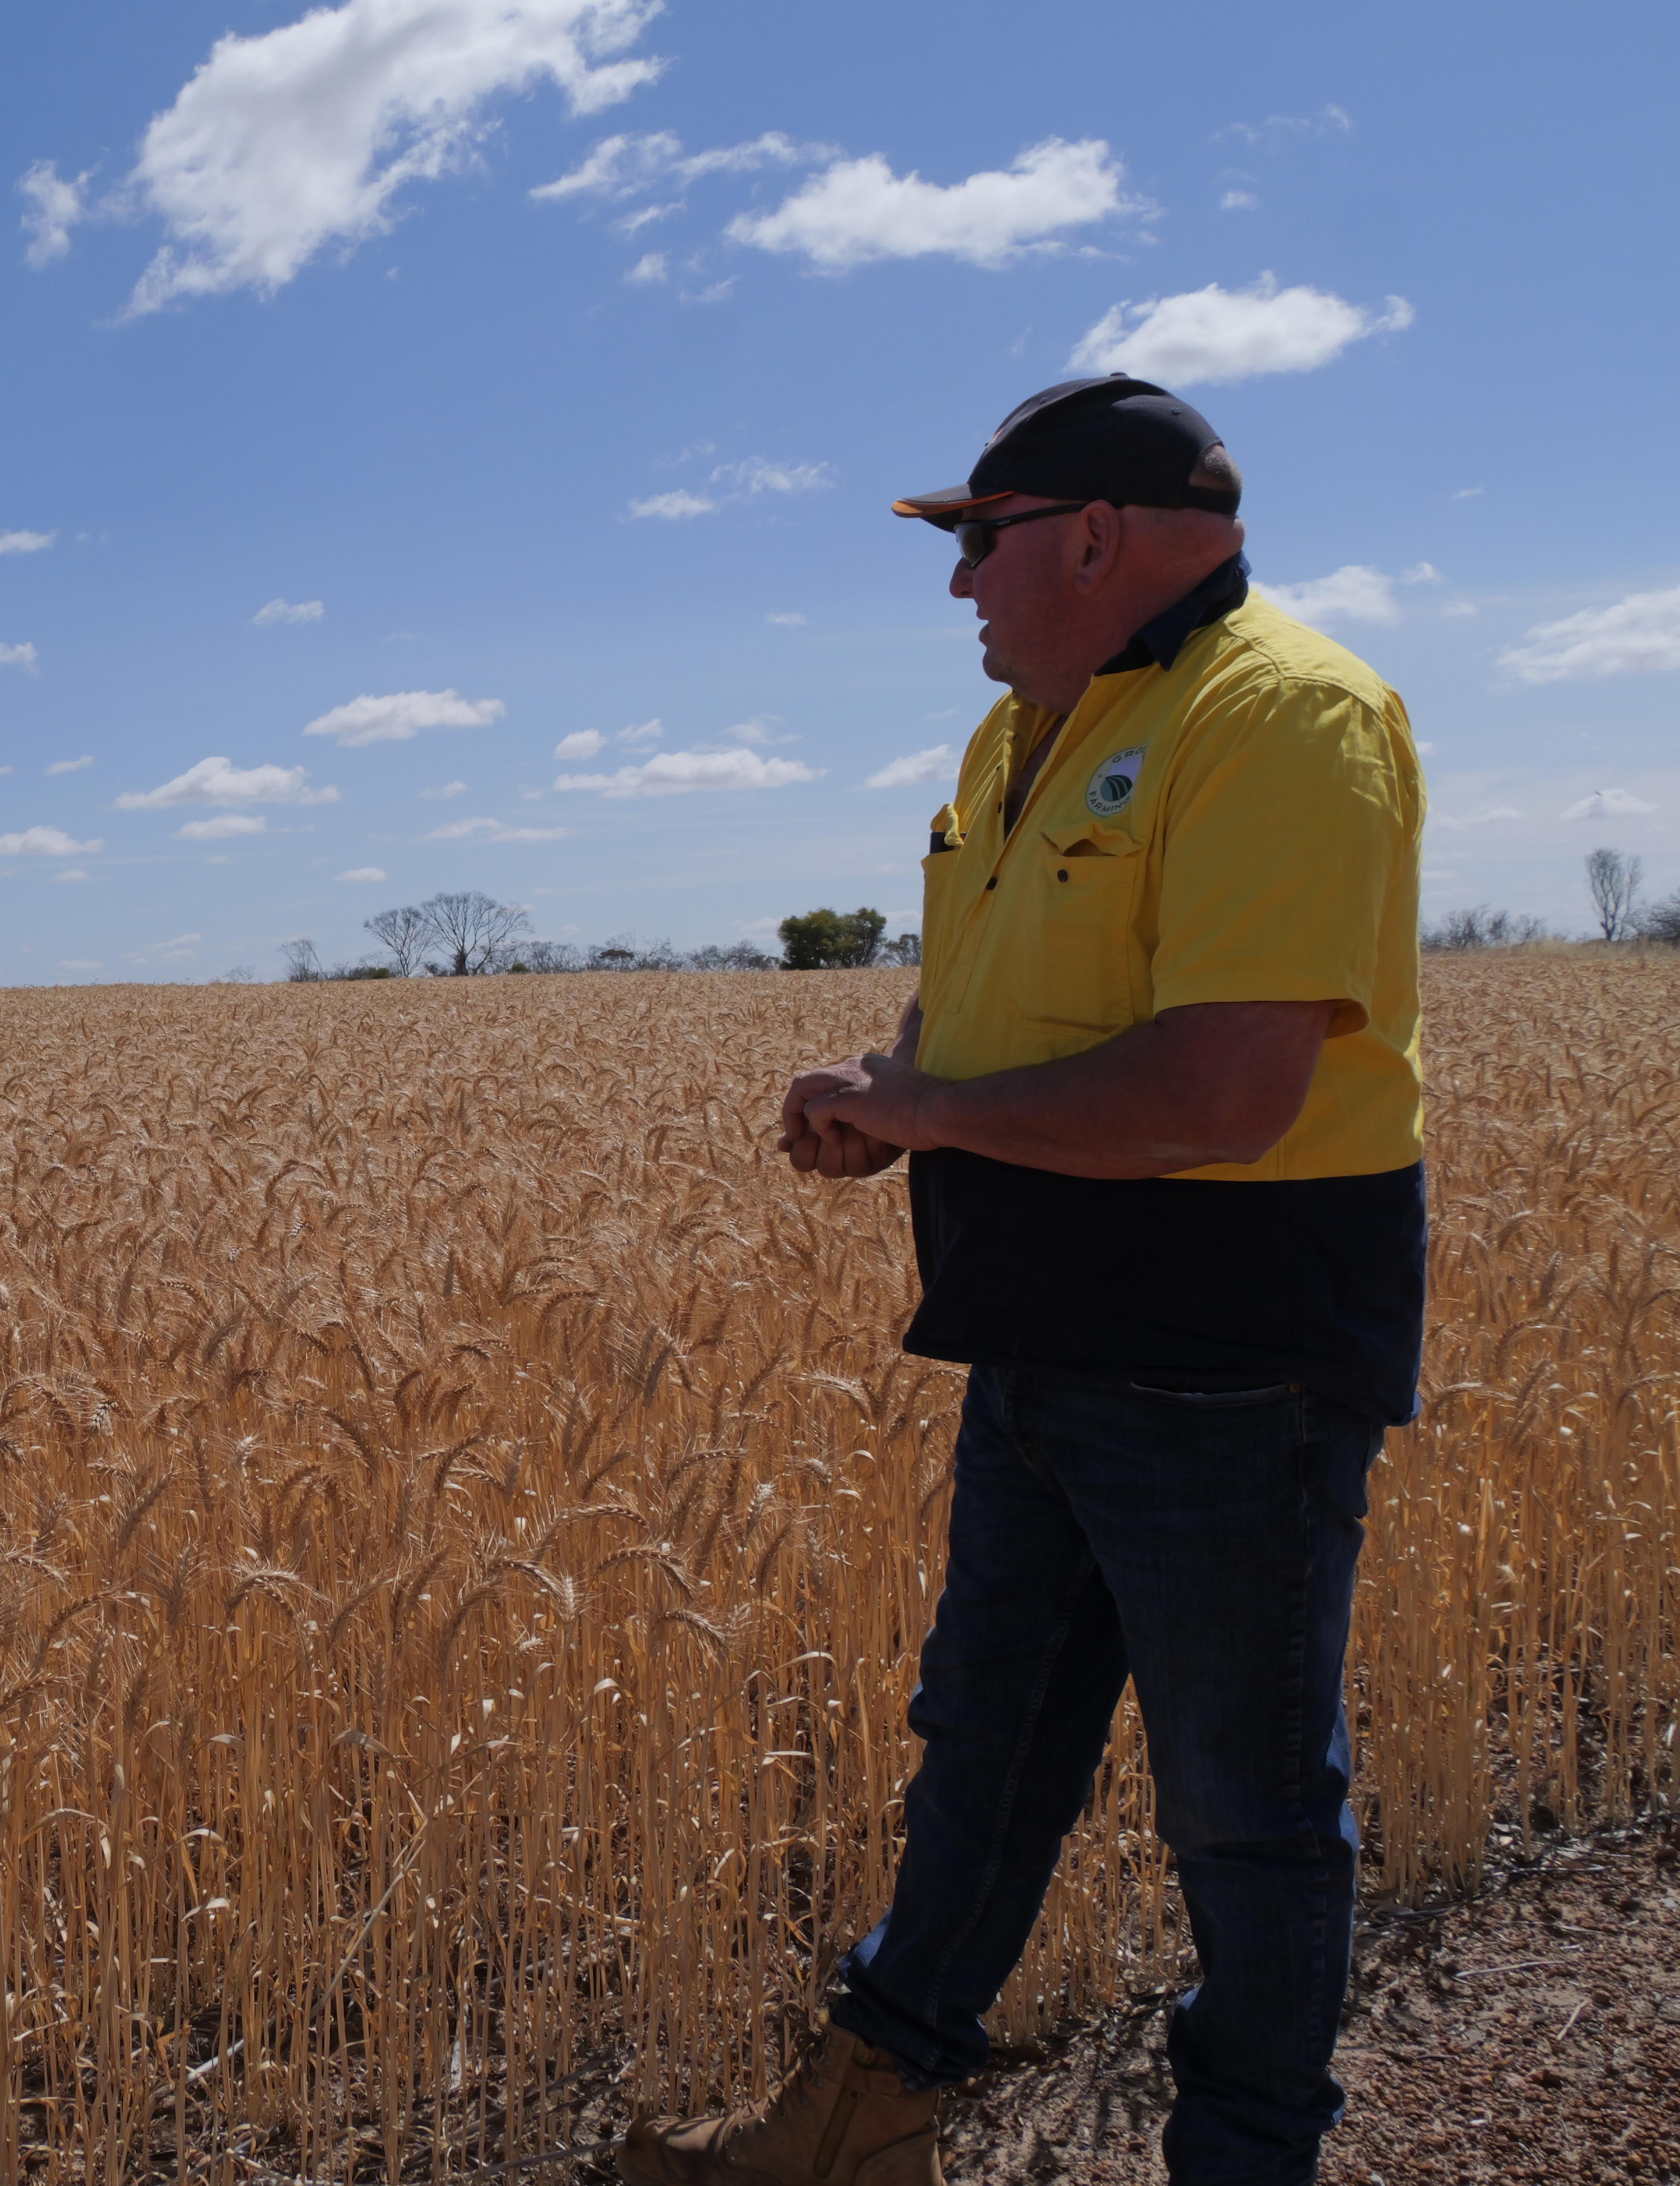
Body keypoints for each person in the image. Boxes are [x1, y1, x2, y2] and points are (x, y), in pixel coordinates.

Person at [620, 376, 1425, 2186]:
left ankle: (1245, 2157)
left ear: (1092, 535)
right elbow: (983, 999)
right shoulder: (1025, 734)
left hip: (1231, 1344)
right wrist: (899, 1102)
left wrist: (933, 1105)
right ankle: (857, 2124)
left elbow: (1229, 1090)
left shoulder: (1284, 716)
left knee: (1249, 1810)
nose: (961, 585)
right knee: (984, 1738)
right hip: (1043, 1316)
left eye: (978, 542)